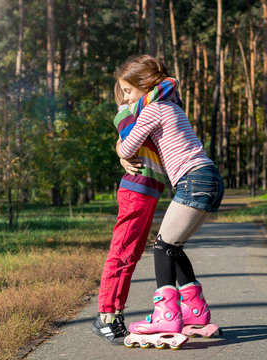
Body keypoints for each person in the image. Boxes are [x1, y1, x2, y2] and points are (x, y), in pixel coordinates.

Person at [115, 55, 224, 349]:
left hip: (193, 179)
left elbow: (128, 146)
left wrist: (118, 141)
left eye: (128, 91)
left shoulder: (153, 110)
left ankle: (166, 314)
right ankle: (196, 312)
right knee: (173, 247)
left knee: (162, 247)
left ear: (145, 85)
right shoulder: (172, 105)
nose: (125, 97)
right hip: (208, 177)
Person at [91, 76, 182, 345]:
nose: (128, 97)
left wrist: (119, 151)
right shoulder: (130, 111)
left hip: (148, 191)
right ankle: (106, 316)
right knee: (121, 252)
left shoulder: (146, 109)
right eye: (124, 92)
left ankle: (115, 314)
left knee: (131, 255)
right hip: (136, 190)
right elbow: (170, 82)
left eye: (130, 91)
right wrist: (142, 89)